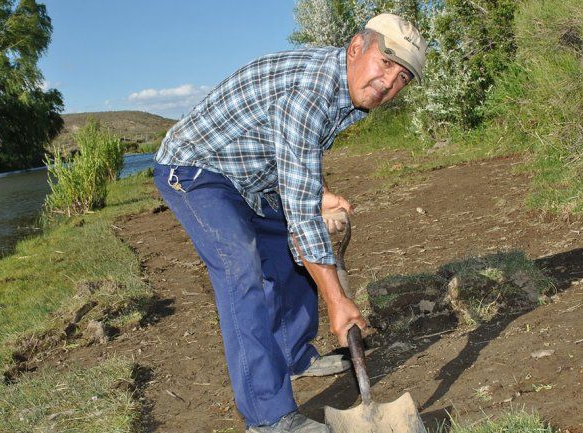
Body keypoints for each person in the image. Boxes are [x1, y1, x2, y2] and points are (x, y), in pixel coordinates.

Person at [153, 13, 426, 433]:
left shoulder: (347, 87)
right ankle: (267, 417)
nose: (388, 82)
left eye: (402, 76)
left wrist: (319, 193)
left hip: (251, 176)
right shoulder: (311, 91)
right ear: (356, 47)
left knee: (286, 253)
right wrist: (337, 300)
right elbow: (300, 211)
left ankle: (294, 355)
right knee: (240, 266)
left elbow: (299, 153)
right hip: (194, 168)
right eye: (386, 62)